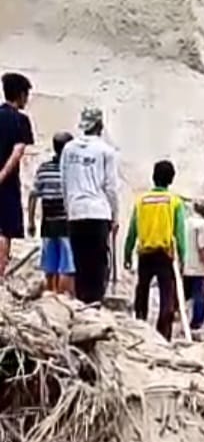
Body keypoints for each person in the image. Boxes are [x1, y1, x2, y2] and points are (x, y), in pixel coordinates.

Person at [61, 107, 119, 303]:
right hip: (98, 212)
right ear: (100, 126)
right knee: (98, 263)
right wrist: (115, 216)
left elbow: (64, 183)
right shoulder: (106, 151)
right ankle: (94, 303)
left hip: (76, 212)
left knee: (80, 262)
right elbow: (111, 187)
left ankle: (81, 302)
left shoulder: (68, 149)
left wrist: (69, 210)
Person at [124, 161, 186, 341]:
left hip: (144, 253)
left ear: (153, 177)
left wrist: (127, 253)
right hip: (164, 254)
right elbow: (180, 233)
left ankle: (140, 325)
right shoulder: (174, 202)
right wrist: (183, 257)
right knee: (167, 293)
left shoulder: (142, 201)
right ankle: (163, 334)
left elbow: (132, 230)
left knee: (142, 289)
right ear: (171, 179)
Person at [28, 132, 74, 294]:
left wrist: (31, 221)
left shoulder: (44, 169)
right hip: (66, 222)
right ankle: (62, 297)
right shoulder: (71, 171)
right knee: (67, 265)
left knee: (50, 264)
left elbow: (33, 195)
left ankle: (50, 294)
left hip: (48, 221)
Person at [0, 73, 34, 279]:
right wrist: (2, 175)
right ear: (21, 95)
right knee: (3, 230)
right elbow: (18, 151)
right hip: (7, 184)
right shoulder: (21, 120)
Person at [183, 201, 204, 331]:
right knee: (200, 297)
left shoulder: (185, 223)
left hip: (185, 266)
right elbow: (202, 249)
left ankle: (179, 319)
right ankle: (196, 325)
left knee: (184, 295)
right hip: (198, 269)